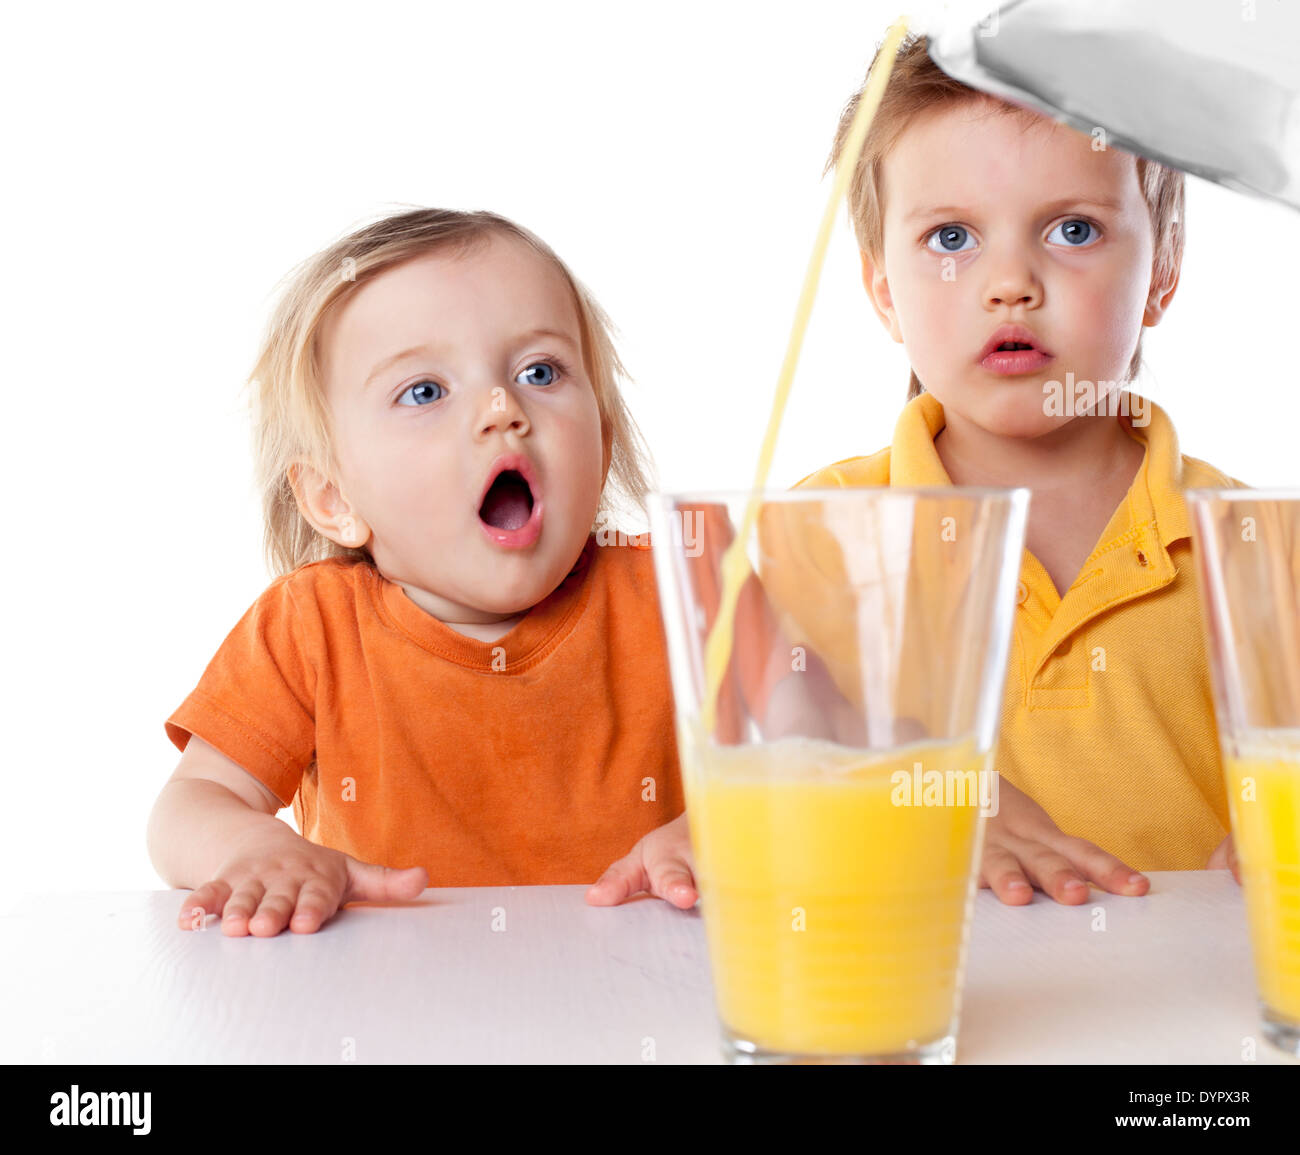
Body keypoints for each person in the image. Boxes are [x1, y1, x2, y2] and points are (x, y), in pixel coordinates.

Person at [147, 207, 698, 936]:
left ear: (603, 437)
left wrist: (725, 826)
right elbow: (188, 807)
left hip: (638, 1010)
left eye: (540, 371)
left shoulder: (680, 591)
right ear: (333, 497)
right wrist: (257, 847)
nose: (503, 409)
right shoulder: (310, 629)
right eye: (425, 392)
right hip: (382, 1019)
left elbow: (816, 739)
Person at [790, 32, 1248, 902]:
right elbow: (773, 787)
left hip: (1188, 1011)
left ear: (1165, 267)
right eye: (951, 236)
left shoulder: (1254, 541)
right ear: (883, 287)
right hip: (931, 1004)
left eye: (1073, 229)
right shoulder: (825, 531)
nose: (1010, 282)